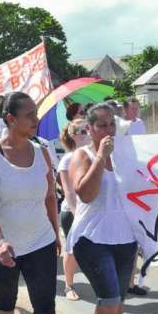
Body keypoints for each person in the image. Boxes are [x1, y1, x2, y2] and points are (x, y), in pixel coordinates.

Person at [0, 92, 60, 314]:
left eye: (35, 113)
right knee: (5, 302)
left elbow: (49, 197)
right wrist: (0, 241)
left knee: (45, 303)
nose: (36, 119)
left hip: (40, 240)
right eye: (30, 115)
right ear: (11, 119)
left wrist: (55, 232)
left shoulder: (43, 152)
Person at [67, 103, 137, 314]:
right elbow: (85, 194)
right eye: (102, 125)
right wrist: (100, 157)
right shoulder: (82, 156)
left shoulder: (126, 154)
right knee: (108, 300)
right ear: (90, 128)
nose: (109, 130)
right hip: (92, 238)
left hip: (125, 238)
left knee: (118, 304)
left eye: (112, 124)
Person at [57, 119, 89, 301]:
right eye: (84, 131)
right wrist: (78, 213)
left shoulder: (92, 155)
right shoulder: (68, 159)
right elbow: (68, 191)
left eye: (88, 129)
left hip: (90, 211)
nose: (88, 134)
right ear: (74, 135)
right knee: (71, 250)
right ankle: (69, 286)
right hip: (72, 212)